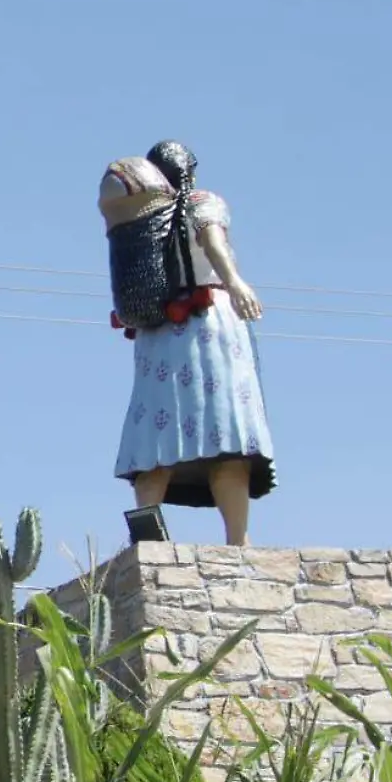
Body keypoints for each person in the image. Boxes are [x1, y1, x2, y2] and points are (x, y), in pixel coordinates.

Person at [100, 141, 276, 546]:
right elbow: (211, 240)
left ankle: (147, 532)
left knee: (153, 437)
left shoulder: (139, 217)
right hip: (210, 325)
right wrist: (235, 282)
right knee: (227, 437)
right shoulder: (202, 201)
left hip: (155, 332)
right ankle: (237, 540)